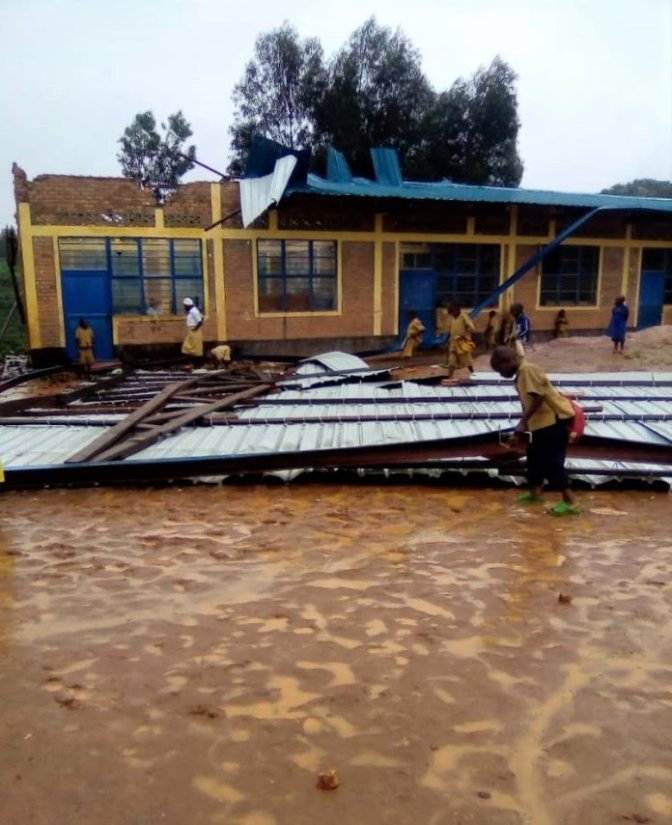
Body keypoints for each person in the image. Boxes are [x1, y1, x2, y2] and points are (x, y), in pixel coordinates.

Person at [490, 345, 580, 515]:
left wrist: (522, 423)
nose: (501, 375)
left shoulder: (528, 370)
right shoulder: (520, 374)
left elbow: (539, 397)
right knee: (534, 457)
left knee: (551, 461)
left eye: (500, 370)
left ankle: (571, 501)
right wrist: (520, 430)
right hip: (540, 423)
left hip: (554, 420)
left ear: (507, 361)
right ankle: (535, 492)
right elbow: (528, 403)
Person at [445, 302, 476, 380]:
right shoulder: (452, 318)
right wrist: (446, 340)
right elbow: (450, 330)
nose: (452, 314)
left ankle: (473, 373)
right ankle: (450, 376)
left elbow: (472, 328)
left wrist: (464, 335)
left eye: (453, 312)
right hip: (453, 342)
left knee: (467, 360)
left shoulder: (463, 316)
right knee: (451, 361)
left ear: (457, 310)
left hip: (462, 342)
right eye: (451, 313)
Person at [181, 297, 204, 361]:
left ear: (187, 305)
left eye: (185, 306)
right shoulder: (192, 311)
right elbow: (202, 317)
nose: (184, 307)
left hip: (194, 330)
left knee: (188, 346)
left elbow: (200, 322)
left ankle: (193, 361)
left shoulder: (194, 311)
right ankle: (192, 360)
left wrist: (195, 329)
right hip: (192, 329)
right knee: (191, 346)